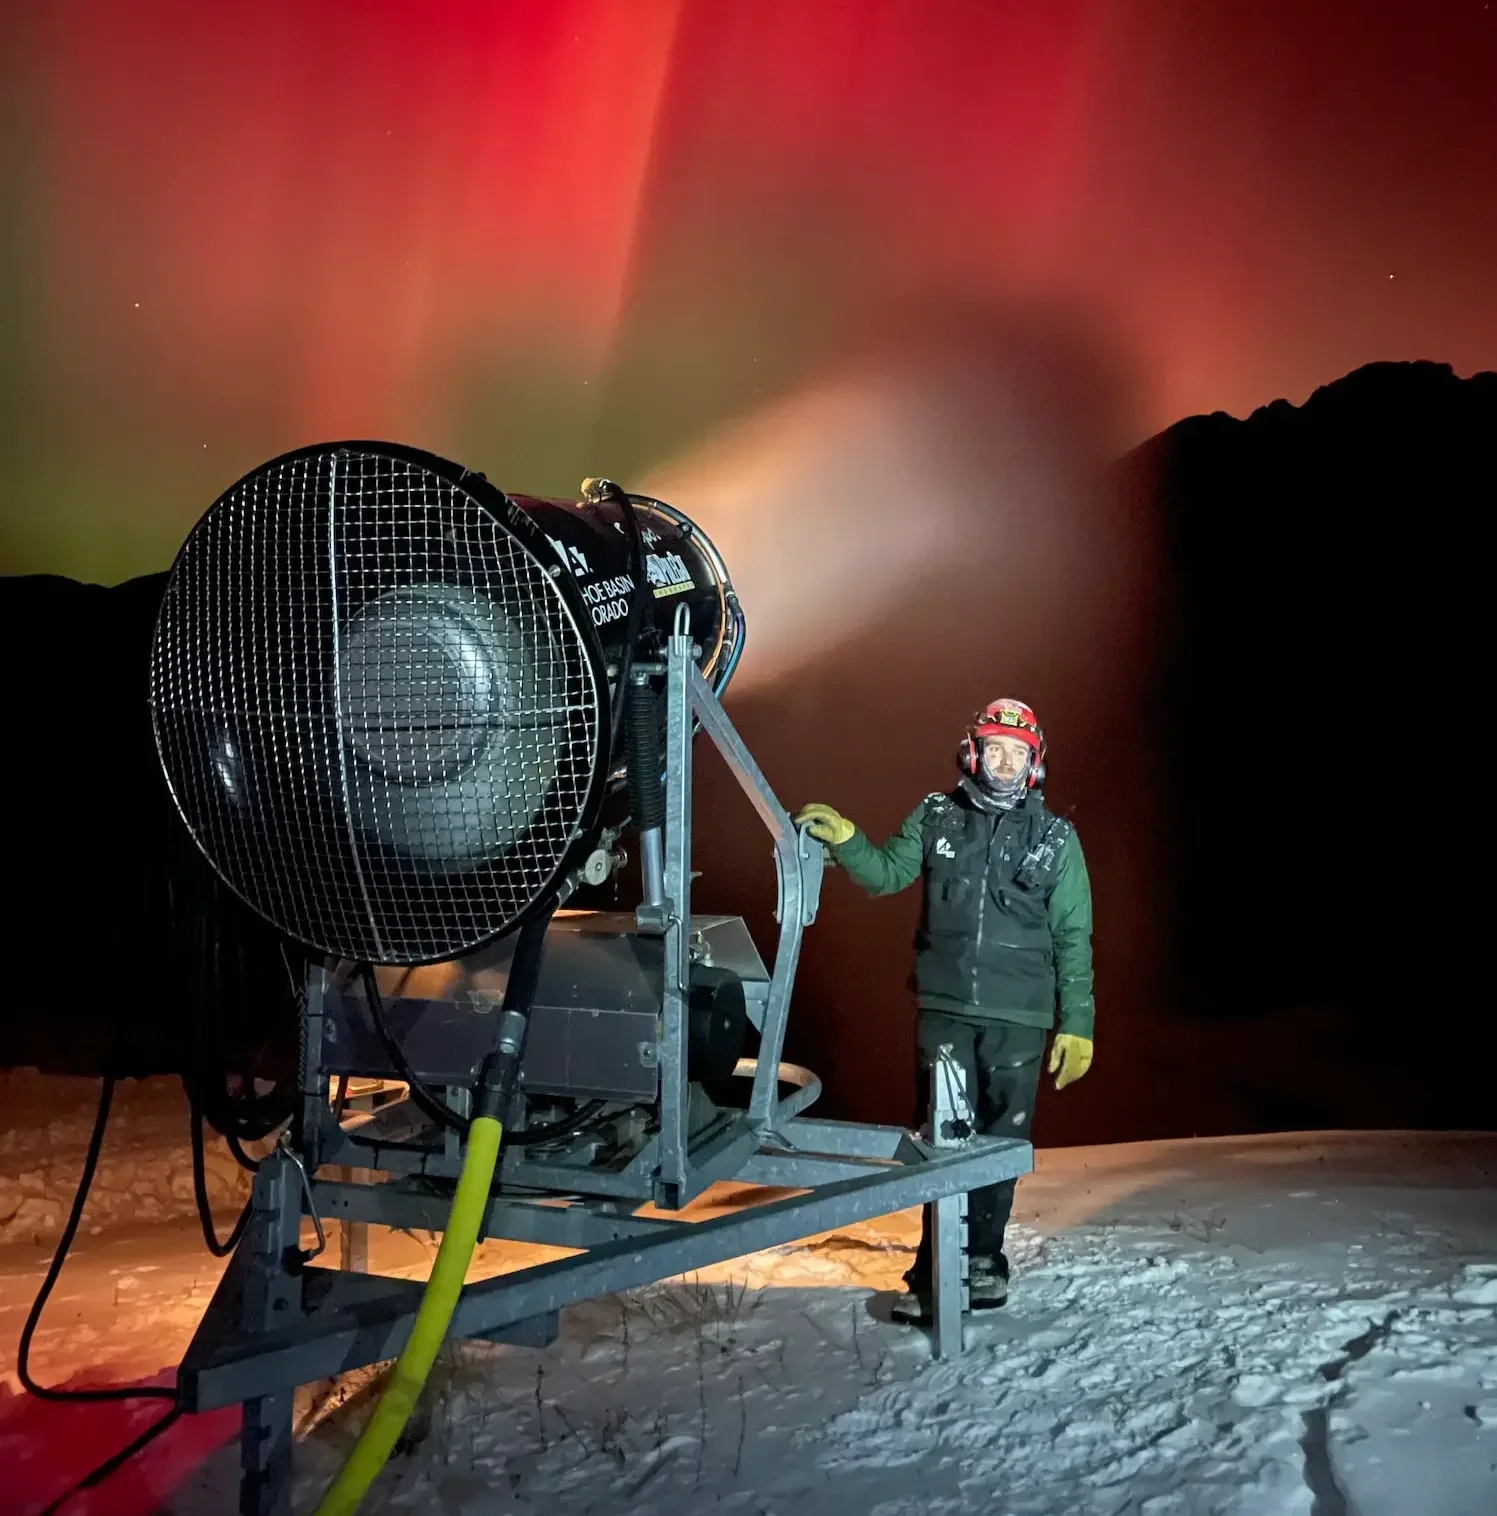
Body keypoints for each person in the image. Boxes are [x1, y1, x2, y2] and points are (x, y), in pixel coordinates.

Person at [796, 698, 1094, 1324]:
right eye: (994, 749)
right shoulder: (937, 816)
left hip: (1021, 1018)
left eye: (1017, 752)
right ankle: (934, 1270)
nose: (1005, 762)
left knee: (999, 1144)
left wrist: (1078, 1024)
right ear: (972, 753)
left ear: (1035, 763)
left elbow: (1074, 936)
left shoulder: (1056, 840)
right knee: (942, 1140)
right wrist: (850, 840)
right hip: (946, 1010)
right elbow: (886, 874)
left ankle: (983, 1261)